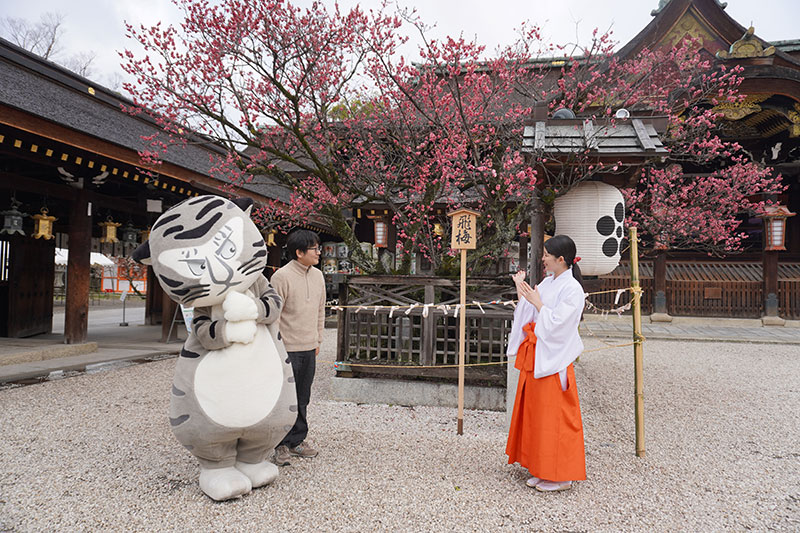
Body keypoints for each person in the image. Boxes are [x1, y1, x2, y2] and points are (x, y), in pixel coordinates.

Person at [505, 234, 587, 492]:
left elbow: (560, 324)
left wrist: (538, 302)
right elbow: (530, 308)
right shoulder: (550, 282)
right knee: (537, 416)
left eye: (546, 255)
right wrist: (523, 289)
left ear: (561, 259)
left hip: (554, 359)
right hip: (538, 355)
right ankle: (541, 468)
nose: (542, 259)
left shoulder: (573, 289)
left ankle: (561, 475)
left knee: (555, 419)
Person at [270, 229, 326, 466]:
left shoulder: (319, 276)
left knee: (303, 397)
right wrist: (276, 347)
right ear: (299, 252)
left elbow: (321, 311)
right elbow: (273, 316)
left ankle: (297, 441)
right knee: (283, 399)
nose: (319, 253)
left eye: (318, 248)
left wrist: (318, 340)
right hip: (287, 348)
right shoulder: (281, 277)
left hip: (308, 346)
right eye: (314, 249)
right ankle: (279, 444)